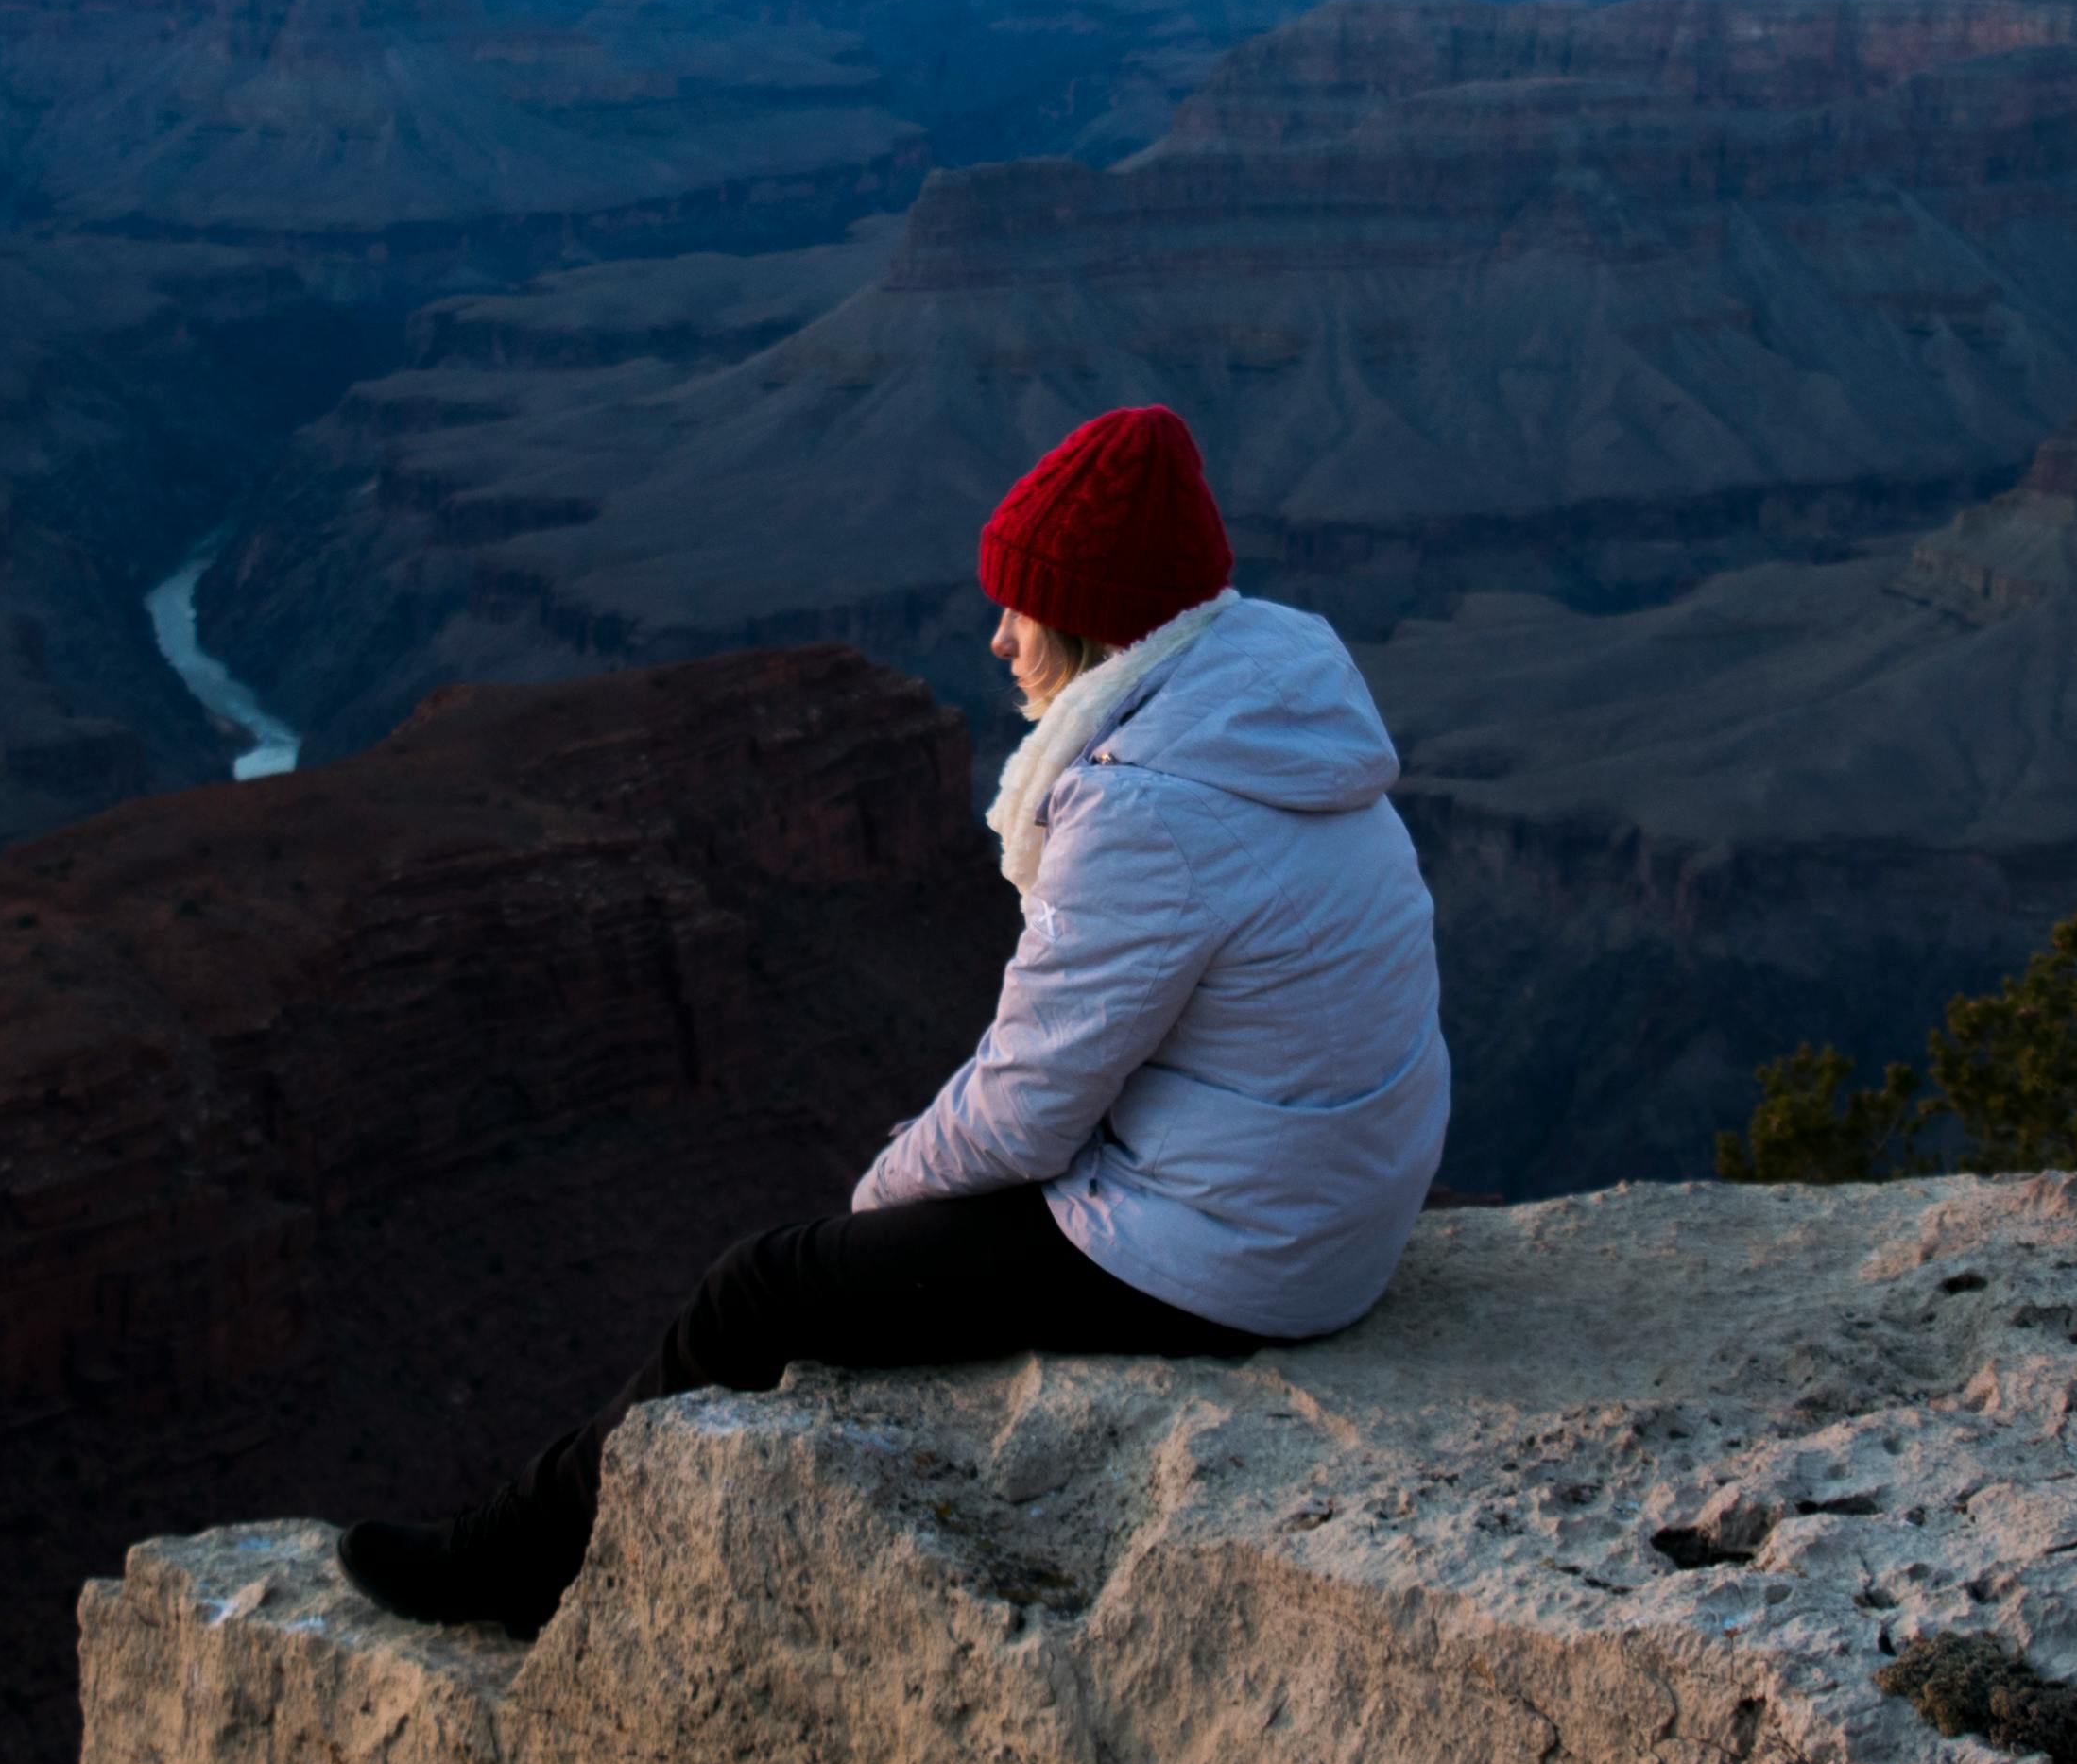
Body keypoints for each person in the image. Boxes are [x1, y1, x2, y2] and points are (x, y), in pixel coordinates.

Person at [337, 402, 1454, 1635]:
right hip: (1332, 1207)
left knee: (760, 1288)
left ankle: (508, 1564)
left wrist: (880, 1205)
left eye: (1021, 609)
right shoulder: (1270, 721)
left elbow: (1024, 1110)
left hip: (1235, 1257)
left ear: (1092, 625)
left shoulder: (1149, 809)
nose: (997, 637)